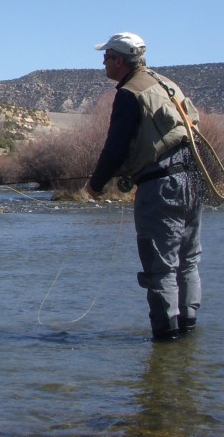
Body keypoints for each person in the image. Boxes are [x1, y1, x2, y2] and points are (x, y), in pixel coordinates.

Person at [85, 32, 203, 341]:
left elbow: (115, 147)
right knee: (187, 261)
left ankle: (166, 341)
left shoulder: (129, 93)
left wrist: (95, 185)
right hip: (192, 179)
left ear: (120, 61)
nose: (103, 62)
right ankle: (186, 332)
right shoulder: (166, 84)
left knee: (160, 267)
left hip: (160, 186)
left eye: (107, 56)